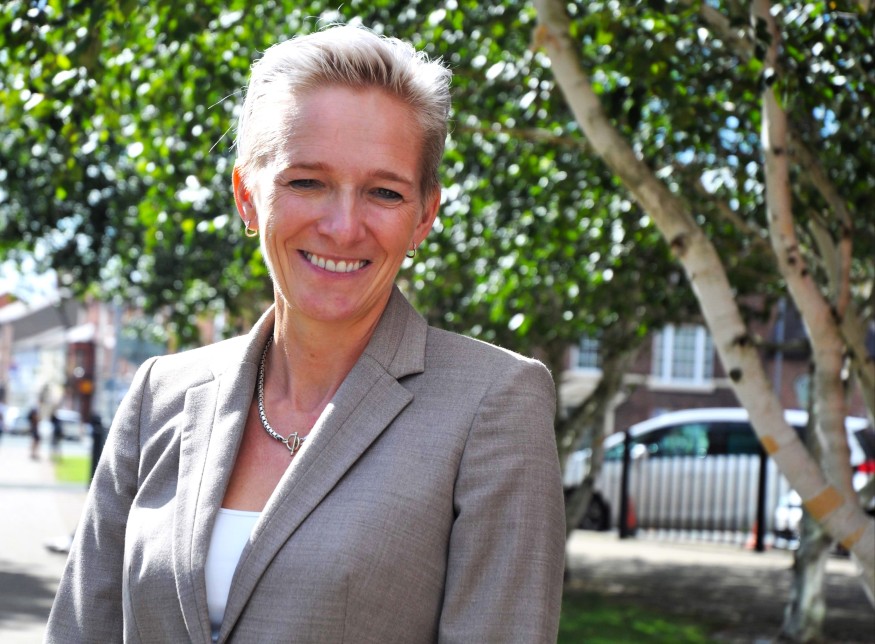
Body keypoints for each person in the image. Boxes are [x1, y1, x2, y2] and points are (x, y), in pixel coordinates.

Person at [46, 24, 565, 643]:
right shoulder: (161, 394)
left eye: (383, 192)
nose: (343, 227)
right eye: (306, 182)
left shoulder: (493, 405)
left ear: (424, 214)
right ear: (246, 194)